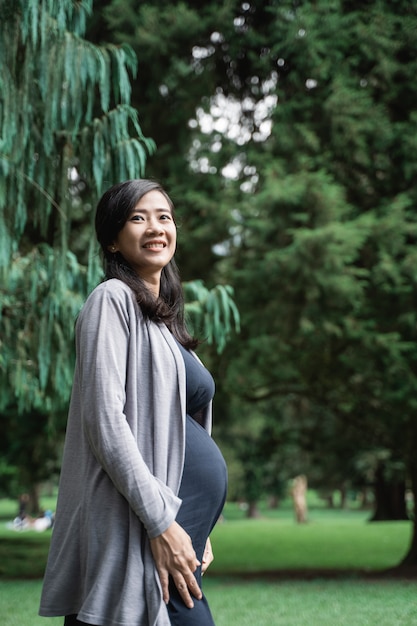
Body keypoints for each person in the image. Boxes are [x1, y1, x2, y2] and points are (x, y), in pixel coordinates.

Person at [39, 179, 228, 626]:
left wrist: (199, 528)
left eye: (164, 217)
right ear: (113, 239)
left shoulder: (163, 322)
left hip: (178, 529)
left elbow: (184, 431)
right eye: (137, 218)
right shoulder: (112, 300)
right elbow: (105, 422)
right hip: (143, 527)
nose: (155, 227)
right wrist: (162, 523)